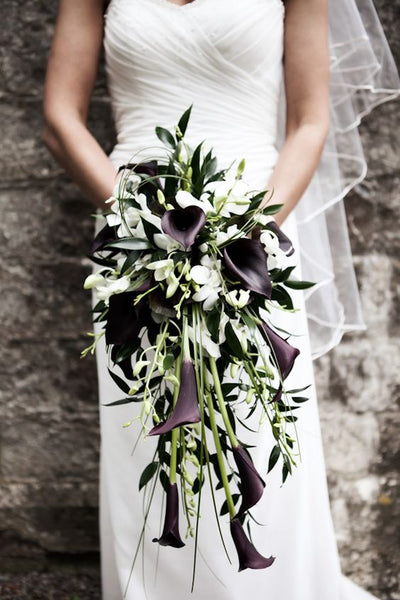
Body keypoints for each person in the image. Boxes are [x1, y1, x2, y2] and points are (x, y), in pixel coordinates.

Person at [42, 1, 399, 598]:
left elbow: (310, 123)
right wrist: (143, 227)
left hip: (254, 240)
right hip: (134, 248)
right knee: (146, 443)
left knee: (257, 437)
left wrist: (244, 237)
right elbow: (59, 117)